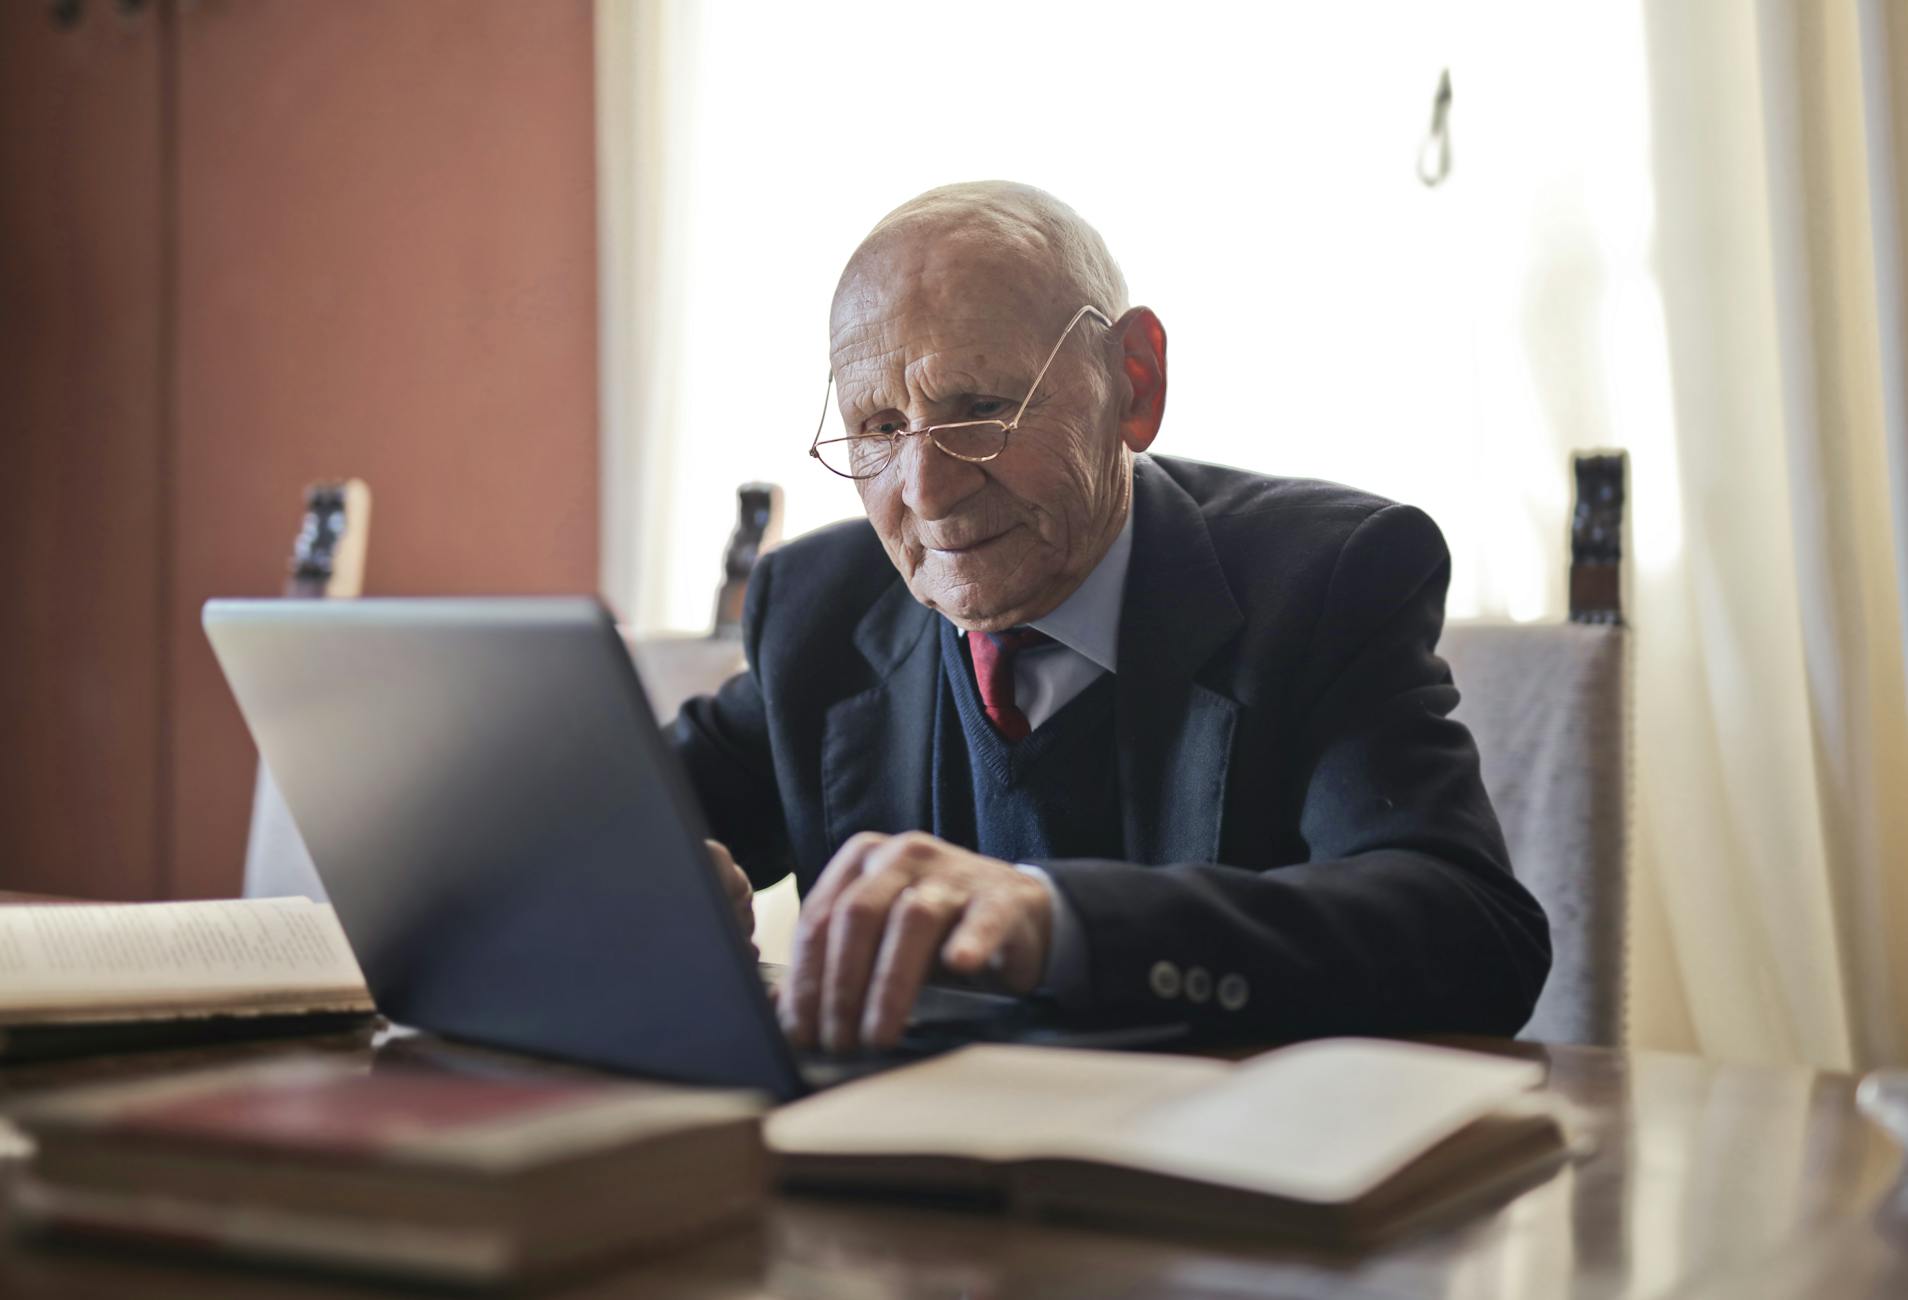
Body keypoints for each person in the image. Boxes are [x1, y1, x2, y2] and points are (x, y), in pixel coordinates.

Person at [677, 181, 1550, 1056]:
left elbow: (1470, 938)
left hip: (1212, 1168)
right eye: (878, 426)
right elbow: (618, 814)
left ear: (1133, 383)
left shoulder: (1325, 580)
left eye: (980, 407)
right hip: (890, 1169)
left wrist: (1059, 923)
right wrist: (638, 879)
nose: (927, 493)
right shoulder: (821, 609)